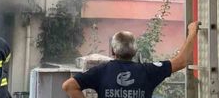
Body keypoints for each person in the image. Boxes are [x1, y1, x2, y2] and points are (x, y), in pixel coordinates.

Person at [62, 21, 200, 98]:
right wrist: (193, 31)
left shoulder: (101, 71)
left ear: (113, 51)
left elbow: (69, 86)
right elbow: (183, 60)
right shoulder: (148, 71)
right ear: (135, 51)